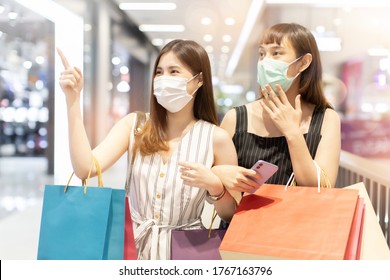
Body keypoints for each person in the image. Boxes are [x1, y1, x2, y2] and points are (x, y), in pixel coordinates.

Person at [57, 39, 239, 260]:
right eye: (159, 72)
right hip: (131, 248)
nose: (163, 79)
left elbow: (230, 213)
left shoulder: (216, 138)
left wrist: (214, 186)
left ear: (198, 80)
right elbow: (85, 168)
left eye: (174, 72)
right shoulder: (135, 125)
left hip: (186, 254)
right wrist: (73, 100)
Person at [213, 22, 341, 194]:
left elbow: (321, 188)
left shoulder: (326, 118)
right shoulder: (236, 117)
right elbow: (223, 194)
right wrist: (216, 173)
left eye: (276, 53)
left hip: (299, 219)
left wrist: (292, 133)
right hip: (242, 220)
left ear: (303, 62)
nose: (265, 61)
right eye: (262, 54)